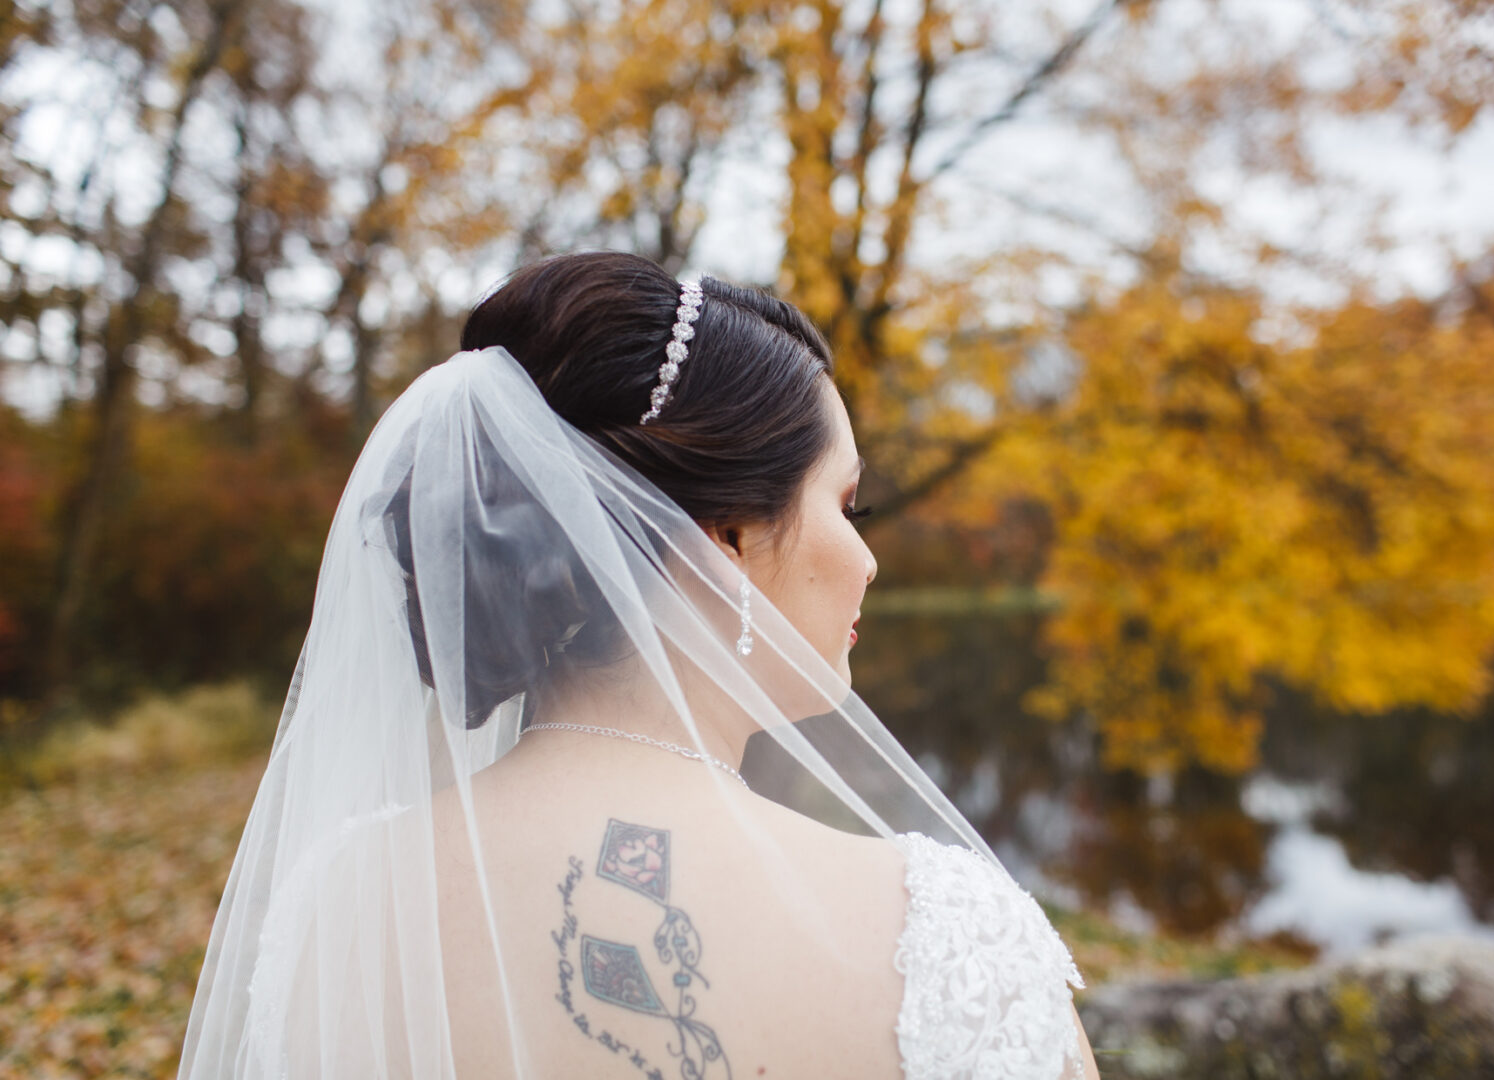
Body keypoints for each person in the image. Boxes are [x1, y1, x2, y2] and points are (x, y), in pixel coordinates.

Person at [178, 251, 1096, 1079]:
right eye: (845, 503)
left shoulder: (333, 904)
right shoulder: (940, 942)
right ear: (726, 536)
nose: (867, 560)